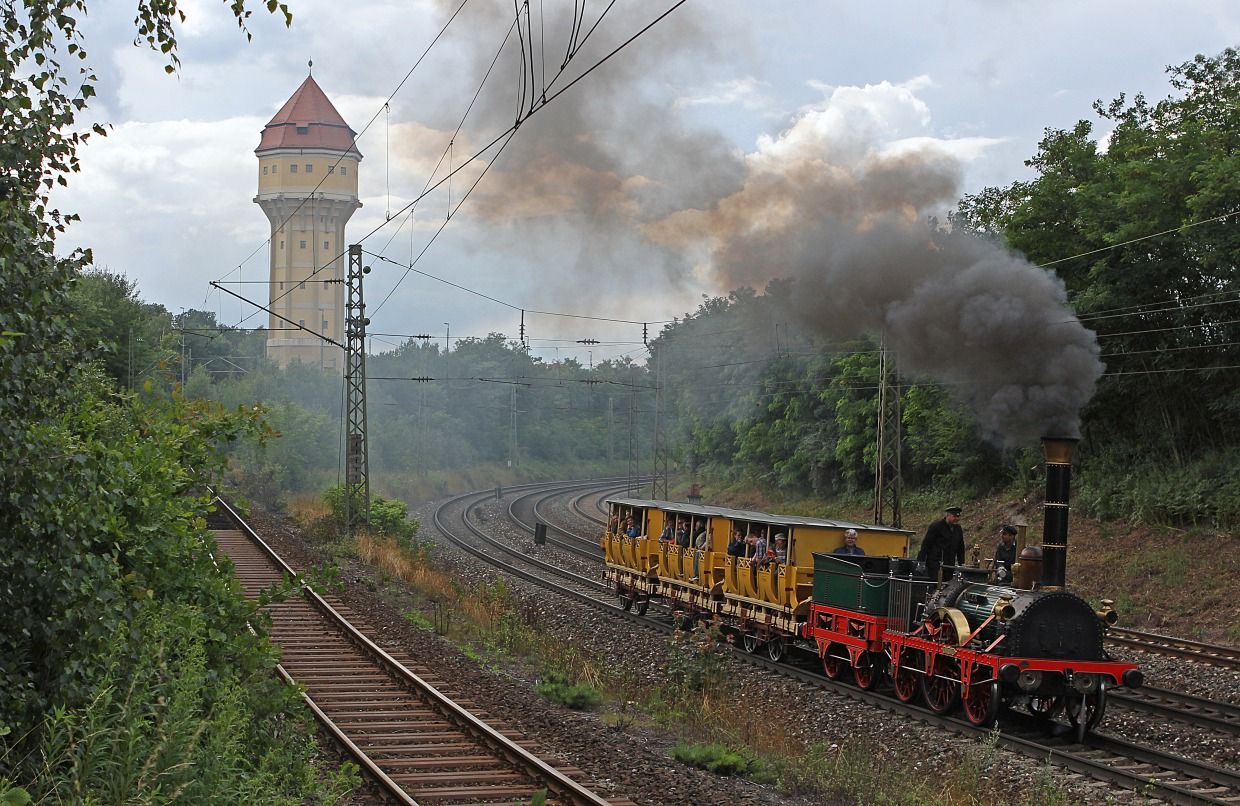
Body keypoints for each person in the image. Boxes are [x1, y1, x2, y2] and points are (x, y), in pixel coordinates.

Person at [917, 506, 965, 582]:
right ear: (948, 515)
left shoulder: (958, 529)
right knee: (936, 585)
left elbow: (960, 548)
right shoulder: (936, 526)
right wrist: (921, 561)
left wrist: (961, 564)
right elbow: (926, 544)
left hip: (949, 564)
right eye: (954, 516)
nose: (956, 519)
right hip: (936, 563)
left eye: (958, 517)